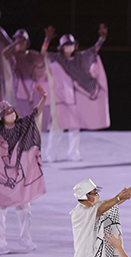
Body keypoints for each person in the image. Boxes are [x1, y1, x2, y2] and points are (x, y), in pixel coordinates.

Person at [40, 24, 110, 162]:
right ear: (61, 47)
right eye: (66, 45)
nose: (69, 47)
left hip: (75, 99)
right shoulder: (57, 58)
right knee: (57, 127)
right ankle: (51, 154)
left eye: (71, 44)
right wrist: (47, 40)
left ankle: (73, 153)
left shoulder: (80, 58)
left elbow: (93, 51)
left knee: (74, 127)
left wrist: (101, 39)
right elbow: (43, 54)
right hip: (61, 98)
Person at [0, 86, 47, 254]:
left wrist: (44, 97)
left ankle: (25, 239)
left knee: (24, 208)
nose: (10, 112)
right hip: (2, 176)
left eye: (12, 110)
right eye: (6, 111)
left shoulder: (22, 126)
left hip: (18, 176)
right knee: (0, 211)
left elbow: (36, 113)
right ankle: (1, 242)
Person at [1, 29, 50, 121]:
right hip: (18, 95)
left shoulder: (31, 55)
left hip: (31, 93)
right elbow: (4, 53)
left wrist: (46, 41)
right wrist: (16, 43)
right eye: (17, 40)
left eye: (22, 41)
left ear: (27, 43)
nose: (19, 43)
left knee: (32, 121)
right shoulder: (14, 56)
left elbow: (42, 58)